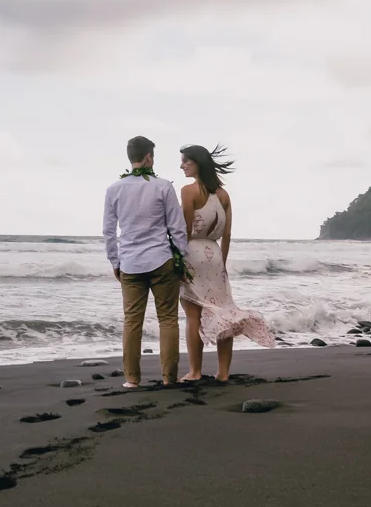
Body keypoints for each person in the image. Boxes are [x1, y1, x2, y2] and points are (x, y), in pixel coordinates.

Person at [177, 144, 276, 382]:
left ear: (198, 163)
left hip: (192, 253)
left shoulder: (189, 191)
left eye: (186, 162)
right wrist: (222, 264)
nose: (182, 166)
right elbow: (228, 234)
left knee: (193, 314)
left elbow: (185, 231)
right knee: (224, 311)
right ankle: (223, 372)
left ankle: (195, 371)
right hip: (215, 255)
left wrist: (178, 260)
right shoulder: (223, 195)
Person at [101, 135, 190, 388]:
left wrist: (115, 261)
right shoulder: (163, 186)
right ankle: (169, 378)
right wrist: (182, 260)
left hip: (130, 263)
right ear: (149, 157)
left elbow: (109, 231)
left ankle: (132, 379)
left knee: (132, 321)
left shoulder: (114, 189)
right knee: (168, 319)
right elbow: (177, 228)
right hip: (161, 260)